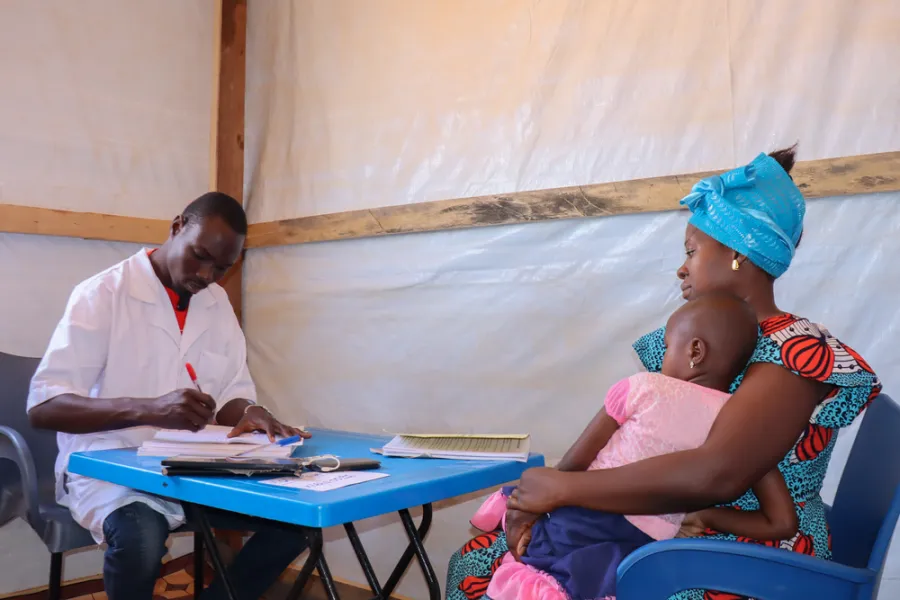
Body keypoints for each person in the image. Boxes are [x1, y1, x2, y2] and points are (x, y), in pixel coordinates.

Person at [446, 147, 882, 600]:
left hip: (755, 554)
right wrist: (558, 496)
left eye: (691, 251)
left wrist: (563, 488)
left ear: (736, 254)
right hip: (667, 523)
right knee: (484, 557)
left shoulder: (795, 351)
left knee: (506, 570)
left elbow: (715, 475)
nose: (681, 267)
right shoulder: (697, 342)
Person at [27, 192, 310, 600]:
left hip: (192, 468)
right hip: (111, 467)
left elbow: (231, 391)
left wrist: (253, 411)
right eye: (199, 255)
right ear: (177, 227)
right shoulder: (103, 294)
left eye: (222, 268)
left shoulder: (215, 305)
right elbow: (44, 409)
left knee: (295, 521)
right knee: (141, 539)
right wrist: (151, 409)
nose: (208, 275)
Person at [470, 294, 797, 600]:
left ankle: (501, 509)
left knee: (527, 566)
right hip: (640, 550)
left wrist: (525, 512)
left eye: (669, 346)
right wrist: (702, 512)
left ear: (695, 351)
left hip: (581, 520)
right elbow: (781, 524)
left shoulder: (642, 387)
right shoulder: (740, 426)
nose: (663, 358)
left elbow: (571, 466)